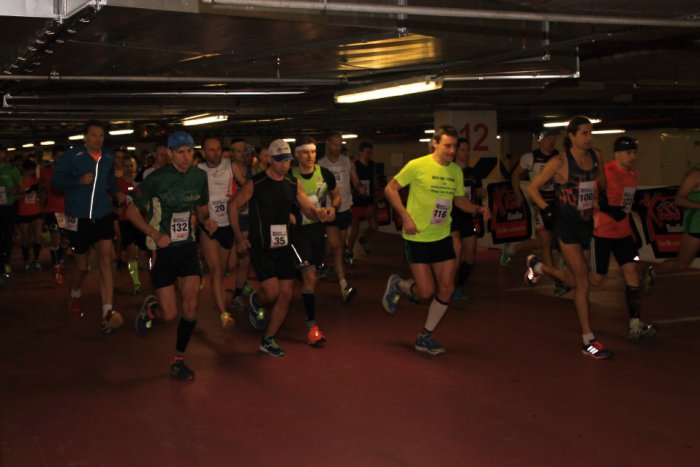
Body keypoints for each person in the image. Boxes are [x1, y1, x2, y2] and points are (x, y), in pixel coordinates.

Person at [382, 125, 490, 355]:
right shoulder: (417, 165)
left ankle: (425, 336)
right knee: (425, 292)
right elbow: (390, 189)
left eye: (455, 146)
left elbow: (459, 200)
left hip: (442, 236)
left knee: (447, 288)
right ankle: (399, 285)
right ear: (435, 143)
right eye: (447, 146)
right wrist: (405, 216)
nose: (452, 151)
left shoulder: (456, 172)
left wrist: (478, 209)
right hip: (417, 237)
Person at [126, 131, 216, 381]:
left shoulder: (199, 176)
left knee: (191, 305)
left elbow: (201, 209)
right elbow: (131, 212)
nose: (186, 157)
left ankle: (178, 359)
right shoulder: (156, 179)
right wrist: (154, 233)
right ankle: (152, 308)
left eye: (190, 152)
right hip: (161, 250)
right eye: (180, 152)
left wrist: (207, 222)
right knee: (170, 315)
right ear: (170, 153)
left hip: (187, 246)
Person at [229, 139, 330, 357]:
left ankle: (268, 340)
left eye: (287, 160)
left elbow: (308, 210)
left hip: (284, 244)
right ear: (270, 161)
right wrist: (239, 238)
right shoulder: (256, 183)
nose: (285, 164)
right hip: (261, 245)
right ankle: (257, 299)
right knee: (273, 293)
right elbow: (233, 206)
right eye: (280, 160)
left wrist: (319, 213)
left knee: (286, 293)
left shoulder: (293, 184)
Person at [524, 116, 612, 359]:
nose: (589, 138)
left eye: (591, 133)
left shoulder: (596, 156)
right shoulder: (560, 162)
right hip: (567, 226)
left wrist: (600, 191)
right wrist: (547, 210)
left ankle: (539, 266)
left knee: (589, 280)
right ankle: (588, 340)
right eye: (584, 133)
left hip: (587, 224)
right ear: (571, 136)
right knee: (582, 283)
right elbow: (532, 188)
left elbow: (601, 184)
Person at [51, 120, 125, 333]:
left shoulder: (108, 157)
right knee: (82, 266)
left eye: (101, 135)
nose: (98, 139)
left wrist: (116, 192)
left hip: (102, 215)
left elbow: (110, 179)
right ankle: (75, 293)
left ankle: (107, 312)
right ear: (85, 137)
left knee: (105, 261)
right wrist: (78, 181)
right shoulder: (72, 156)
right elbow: (55, 184)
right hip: (78, 217)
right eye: (93, 135)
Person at [588, 136, 656, 339]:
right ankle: (559, 274)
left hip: (623, 234)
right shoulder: (605, 172)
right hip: (602, 233)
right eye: (628, 152)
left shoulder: (634, 174)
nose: (633, 157)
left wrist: (636, 208)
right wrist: (609, 210)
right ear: (617, 154)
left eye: (634, 152)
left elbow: (625, 201)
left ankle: (635, 324)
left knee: (632, 273)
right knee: (596, 280)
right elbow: (592, 199)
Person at [290, 135, 337, 346]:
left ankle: (295, 274)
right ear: (296, 154)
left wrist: (333, 208)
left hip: (318, 231)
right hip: (297, 232)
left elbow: (336, 195)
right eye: (305, 152)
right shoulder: (289, 176)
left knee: (312, 277)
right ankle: (312, 327)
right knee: (309, 278)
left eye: (313, 152)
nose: (310, 156)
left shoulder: (325, 174)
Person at [502, 129, 560, 271]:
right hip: (537, 203)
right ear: (540, 140)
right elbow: (515, 175)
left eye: (554, 138)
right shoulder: (530, 157)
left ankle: (512, 249)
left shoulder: (559, 157)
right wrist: (518, 194)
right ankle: (554, 275)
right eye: (549, 139)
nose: (552, 141)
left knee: (545, 241)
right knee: (546, 240)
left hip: (555, 202)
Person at [319, 132, 365, 301]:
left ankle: (323, 264)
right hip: (329, 211)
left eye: (340, 145)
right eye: (335, 144)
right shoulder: (320, 164)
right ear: (328, 143)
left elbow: (355, 180)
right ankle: (343, 284)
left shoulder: (347, 162)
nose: (338, 148)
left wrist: (359, 187)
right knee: (338, 247)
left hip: (345, 209)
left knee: (338, 246)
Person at [197, 136, 237, 329]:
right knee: (216, 270)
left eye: (218, 149)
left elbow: (248, 186)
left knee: (227, 267)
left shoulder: (230, 165)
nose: (215, 153)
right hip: (210, 226)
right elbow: (197, 201)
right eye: (211, 150)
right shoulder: (198, 171)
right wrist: (205, 220)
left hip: (227, 224)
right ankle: (224, 313)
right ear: (204, 152)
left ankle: (202, 270)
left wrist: (237, 198)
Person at [643, 161, 700, 285]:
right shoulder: (695, 175)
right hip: (696, 225)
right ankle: (653, 271)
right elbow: (678, 199)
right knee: (681, 265)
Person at [450, 138, 484, 300]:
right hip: (451, 216)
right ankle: (447, 285)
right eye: (462, 149)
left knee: (470, 256)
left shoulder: (473, 173)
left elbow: (478, 192)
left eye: (467, 149)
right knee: (457, 249)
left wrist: (481, 194)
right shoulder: (449, 171)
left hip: (467, 216)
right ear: (456, 152)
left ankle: (458, 286)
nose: (466, 153)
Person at [40, 146, 68, 285]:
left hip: (67, 210)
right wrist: (41, 207)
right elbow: (41, 189)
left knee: (65, 239)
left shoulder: (70, 171)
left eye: (63, 157)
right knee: (55, 238)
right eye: (58, 157)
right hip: (51, 210)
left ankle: (61, 259)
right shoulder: (45, 171)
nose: (61, 159)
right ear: (54, 157)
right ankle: (56, 267)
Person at [347, 142, 378, 260]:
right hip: (356, 201)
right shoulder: (354, 165)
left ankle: (363, 238)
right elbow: (351, 182)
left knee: (374, 226)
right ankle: (349, 252)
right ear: (360, 152)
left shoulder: (372, 164)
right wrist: (355, 191)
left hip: (369, 199)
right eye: (367, 152)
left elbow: (373, 179)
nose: (369, 155)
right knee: (355, 229)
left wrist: (376, 193)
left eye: (371, 152)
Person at [16, 158, 44, 271]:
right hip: (23, 212)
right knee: (26, 237)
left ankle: (36, 259)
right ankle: (26, 259)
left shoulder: (36, 180)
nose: (31, 172)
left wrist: (42, 206)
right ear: (24, 170)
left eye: (33, 170)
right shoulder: (19, 181)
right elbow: (15, 196)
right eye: (29, 170)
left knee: (38, 236)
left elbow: (41, 193)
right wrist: (27, 191)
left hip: (36, 211)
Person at [0, 146, 22, 281]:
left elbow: (20, 187)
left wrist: (14, 190)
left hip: (9, 206)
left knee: (8, 235)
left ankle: (5, 260)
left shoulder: (11, 169)